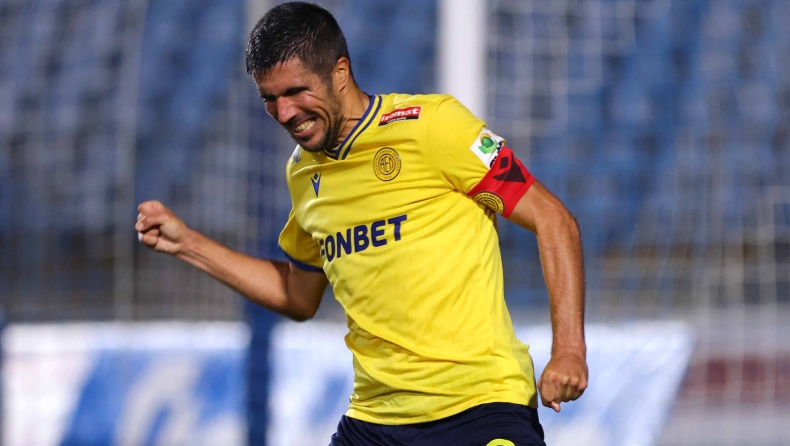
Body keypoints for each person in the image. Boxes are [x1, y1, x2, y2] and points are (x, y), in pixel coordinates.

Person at [135, 2, 587, 445]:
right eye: (270, 99)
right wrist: (187, 243)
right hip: (374, 420)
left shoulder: (433, 126)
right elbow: (297, 295)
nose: (285, 113)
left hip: (479, 408)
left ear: (340, 72)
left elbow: (553, 219)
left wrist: (568, 349)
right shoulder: (302, 173)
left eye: (296, 91)